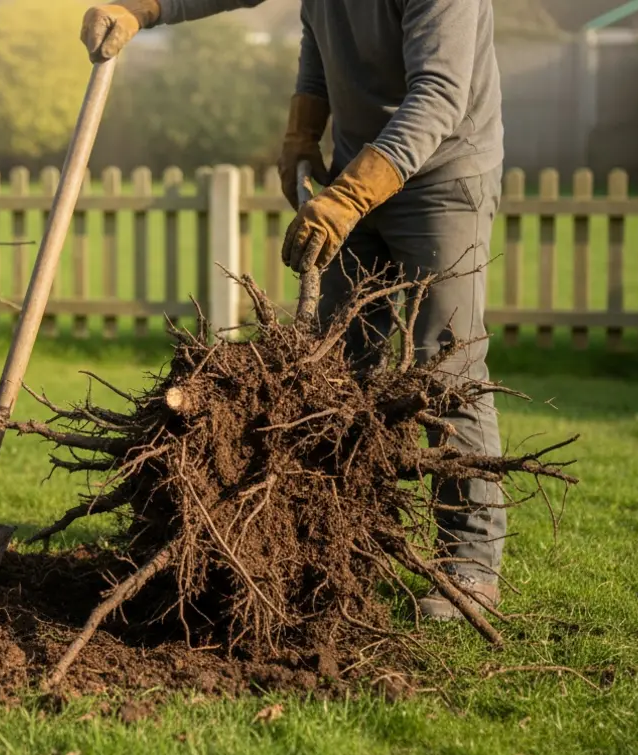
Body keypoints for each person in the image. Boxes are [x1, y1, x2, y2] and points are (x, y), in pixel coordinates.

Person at [80, 0, 508, 622]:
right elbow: (316, 46)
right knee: (335, 363)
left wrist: (351, 195)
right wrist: (143, 11)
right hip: (355, 170)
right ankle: (337, 544)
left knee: (447, 365)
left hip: (444, 174)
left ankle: (468, 565)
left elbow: (440, 95)